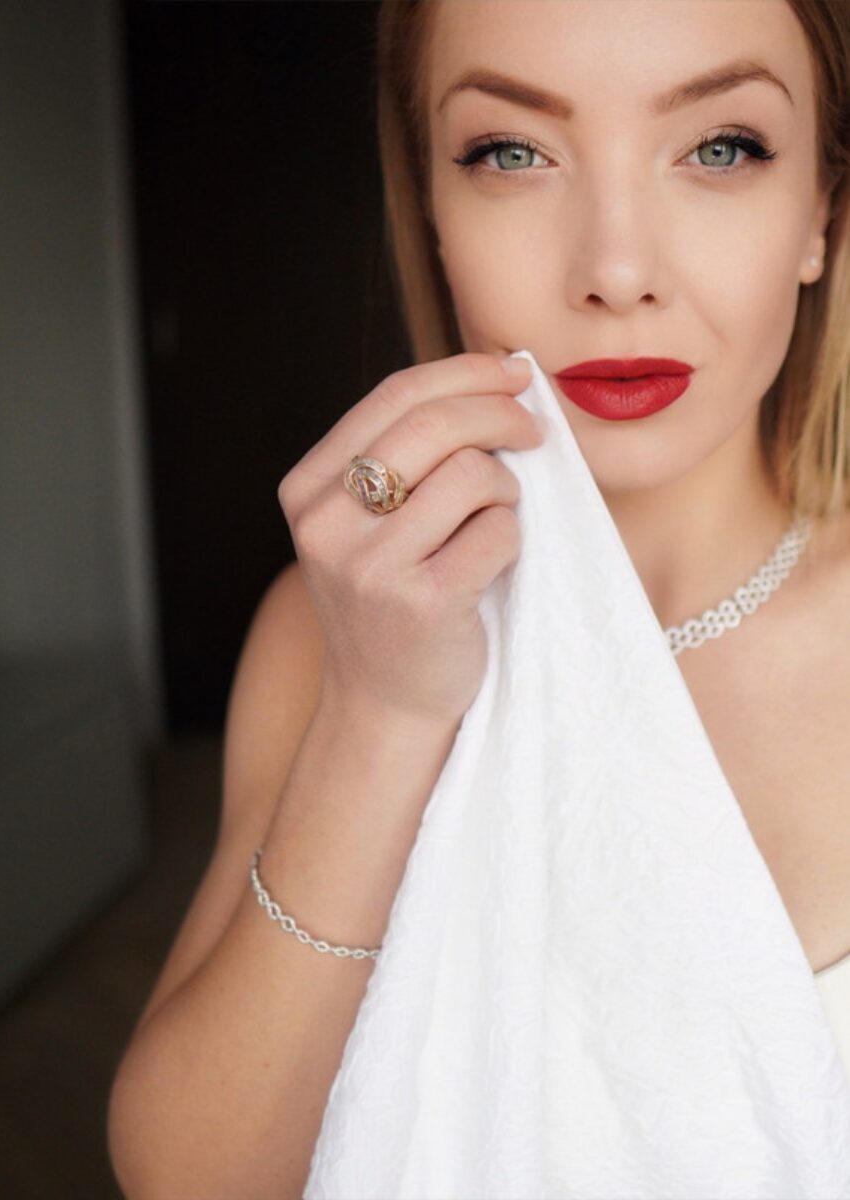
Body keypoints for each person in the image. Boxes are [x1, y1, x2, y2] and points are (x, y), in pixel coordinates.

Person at [107, 2, 850, 1197]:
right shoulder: (333, 627)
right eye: (513, 153)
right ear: (434, 213)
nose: (615, 270)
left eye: (721, 147)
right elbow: (189, 1180)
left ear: (820, 206)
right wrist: (381, 714)